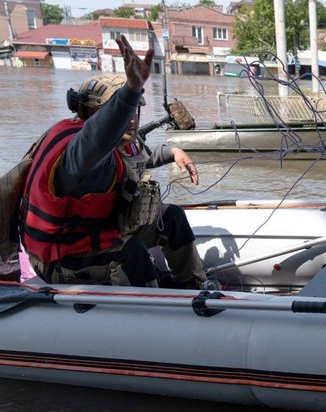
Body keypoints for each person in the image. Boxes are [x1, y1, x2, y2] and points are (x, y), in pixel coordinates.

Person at [19, 36, 206, 288]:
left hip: (99, 231)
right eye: (119, 113)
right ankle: (157, 314)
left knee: (171, 217)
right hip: (65, 256)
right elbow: (95, 140)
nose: (129, 119)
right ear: (91, 116)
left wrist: (173, 152)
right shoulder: (79, 155)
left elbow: (140, 157)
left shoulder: (123, 145)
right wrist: (129, 92)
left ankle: (192, 286)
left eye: (134, 111)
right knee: (132, 252)